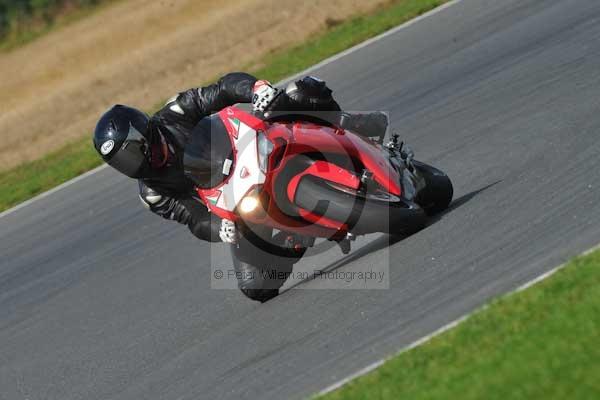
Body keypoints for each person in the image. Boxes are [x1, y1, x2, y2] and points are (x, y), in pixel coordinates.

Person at [92, 73, 387, 301]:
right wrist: (219, 228)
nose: (130, 165)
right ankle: (296, 236)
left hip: (246, 146)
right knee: (255, 286)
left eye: (129, 153)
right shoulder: (153, 192)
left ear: (143, 134)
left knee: (295, 94)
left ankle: (349, 125)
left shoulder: (176, 113)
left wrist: (256, 89)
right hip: (236, 204)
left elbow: (222, 89)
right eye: (120, 162)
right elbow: (194, 218)